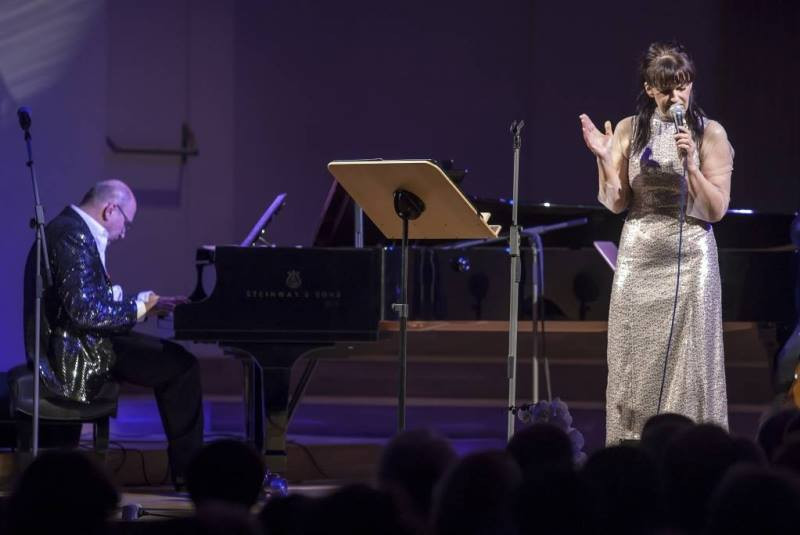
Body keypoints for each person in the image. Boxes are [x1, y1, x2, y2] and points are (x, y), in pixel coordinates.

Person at [579, 42, 734, 444]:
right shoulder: (630, 129)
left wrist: (692, 167)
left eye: (683, 86)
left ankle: (693, 449)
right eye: (666, 89)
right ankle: (632, 449)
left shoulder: (710, 133)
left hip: (692, 257)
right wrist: (603, 158)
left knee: (691, 361)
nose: (676, 96)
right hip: (640, 254)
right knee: (634, 358)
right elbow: (616, 202)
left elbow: (716, 210)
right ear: (649, 89)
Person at [22, 179, 203, 486]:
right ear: (110, 210)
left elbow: (89, 300)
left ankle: (188, 471)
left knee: (176, 361)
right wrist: (141, 308)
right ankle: (191, 474)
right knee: (182, 367)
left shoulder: (71, 229)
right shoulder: (72, 235)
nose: (124, 233)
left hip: (83, 340)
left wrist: (146, 303)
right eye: (126, 223)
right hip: (75, 352)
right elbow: (86, 311)